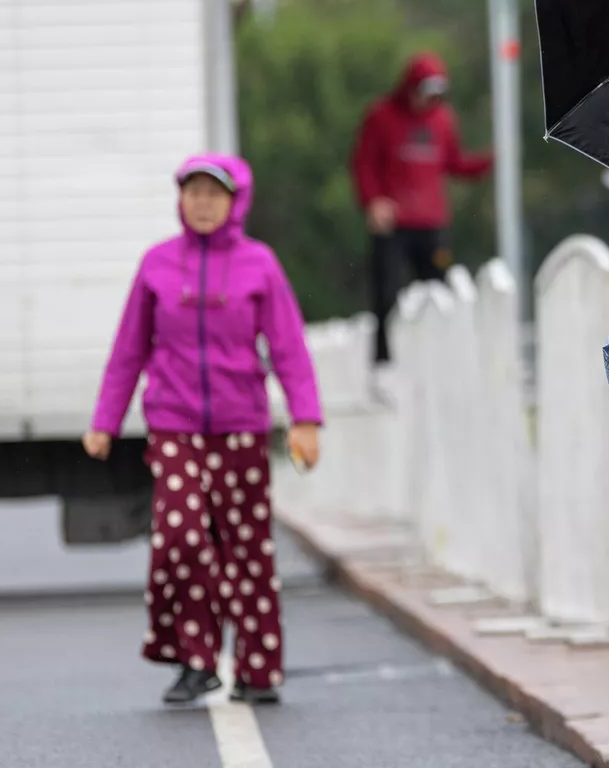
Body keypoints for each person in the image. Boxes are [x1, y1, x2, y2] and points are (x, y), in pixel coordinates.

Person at [82, 155, 323, 706]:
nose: (204, 203)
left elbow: (288, 348)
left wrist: (305, 418)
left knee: (246, 548)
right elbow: (128, 350)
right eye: (194, 192)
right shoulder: (157, 265)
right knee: (181, 538)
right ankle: (196, 659)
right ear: (180, 200)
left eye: (214, 193)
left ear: (236, 201)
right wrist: (105, 421)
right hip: (175, 427)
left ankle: (259, 667)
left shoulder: (259, 264)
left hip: (241, 427)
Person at [349, 52, 492, 363]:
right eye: (424, 93)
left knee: (437, 292)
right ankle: (384, 363)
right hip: (393, 224)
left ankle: (438, 358)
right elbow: (363, 164)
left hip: (431, 224)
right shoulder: (381, 115)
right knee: (386, 293)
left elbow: (453, 163)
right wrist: (373, 201)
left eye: (436, 95)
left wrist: (490, 161)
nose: (429, 102)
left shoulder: (443, 119)